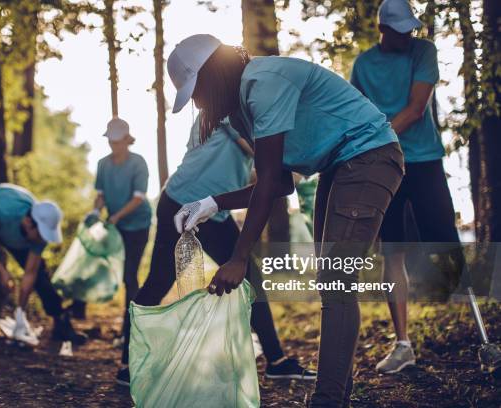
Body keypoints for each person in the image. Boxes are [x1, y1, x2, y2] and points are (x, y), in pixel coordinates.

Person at [168, 34, 405, 407]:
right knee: (333, 280)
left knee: (336, 280)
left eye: (197, 90)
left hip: (369, 155)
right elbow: (278, 183)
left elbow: (266, 184)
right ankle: (334, 397)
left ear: (214, 74)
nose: (198, 102)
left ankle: (327, 400)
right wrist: (211, 203)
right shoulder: (240, 108)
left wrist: (239, 257)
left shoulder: (263, 84)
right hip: (337, 165)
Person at [115, 114, 317, 386]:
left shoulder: (241, 113)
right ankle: (128, 365)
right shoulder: (225, 109)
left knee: (248, 277)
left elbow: (252, 169)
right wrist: (301, 158)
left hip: (211, 208)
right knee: (158, 283)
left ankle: (277, 361)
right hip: (184, 202)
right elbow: (258, 151)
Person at [350, 0, 464, 374]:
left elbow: (417, 109)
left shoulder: (423, 51)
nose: (408, 35)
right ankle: (403, 345)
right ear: (384, 29)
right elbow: (355, 113)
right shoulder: (364, 65)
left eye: (410, 28)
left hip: (425, 159)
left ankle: (475, 322)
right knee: (393, 251)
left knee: (446, 239)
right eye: (400, 30)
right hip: (386, 166)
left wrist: (379, 137)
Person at [0, 183, 87, 349]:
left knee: (40, 275)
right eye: (41, 234)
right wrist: (2, 271)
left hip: (10, 227)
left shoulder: (38, 234)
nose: (43, 240)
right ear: (29, 223)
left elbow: (30, 274)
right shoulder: (1, 211)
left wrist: (20, 311)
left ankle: (61, 323)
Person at [83, 118, 152, 340]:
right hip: (116, 225)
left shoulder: (138, 163)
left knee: (130, 275)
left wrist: (116, 216)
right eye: (111, 142)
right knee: (114, 270)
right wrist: (96, 211)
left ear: (126, 140)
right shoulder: (103, 164)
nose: (114, 146)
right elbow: (101, 195)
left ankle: (131, 329)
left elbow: (138, 198)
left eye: (117, 142)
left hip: (138, 225)